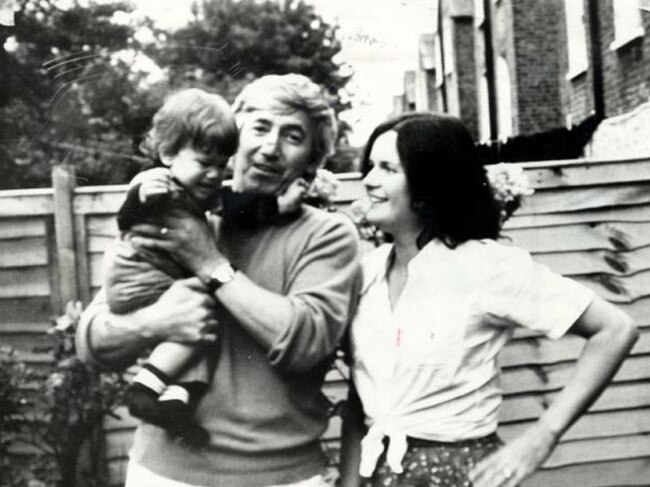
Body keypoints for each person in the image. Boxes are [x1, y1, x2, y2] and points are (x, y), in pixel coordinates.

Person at [76, 74, 361, 487]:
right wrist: (153, 323)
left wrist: (207, 260)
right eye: (260, 127)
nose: (270, 147)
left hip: (279, 477)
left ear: (312, 161)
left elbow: (305, 341)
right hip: (164, 471)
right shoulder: (182, 210)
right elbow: (92, 340)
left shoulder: (327, 234)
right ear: (233, 138)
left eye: (293, 136)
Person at [338, 113, 638, 487]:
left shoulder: (484, 266)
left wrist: (542, 436)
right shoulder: (365, 273)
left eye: (386, 168)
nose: (368, 180)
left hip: (459, 474)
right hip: (376, 472)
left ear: (430, 181)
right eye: (370, 166)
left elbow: (615, 329)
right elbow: (359, 397)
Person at [105, 87, 307, 446]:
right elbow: (127, 216)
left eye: (221, 164)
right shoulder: (156, 182)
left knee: (200, 328)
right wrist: (142, 195)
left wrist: (280, 207)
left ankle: (175, 403)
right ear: (167, 154)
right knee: (201, 304)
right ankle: (145, 386)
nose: (215, 175)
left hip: (157, 279)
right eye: (204, 163)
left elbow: (236, 207)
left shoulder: (201, 191)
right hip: (138, 277)